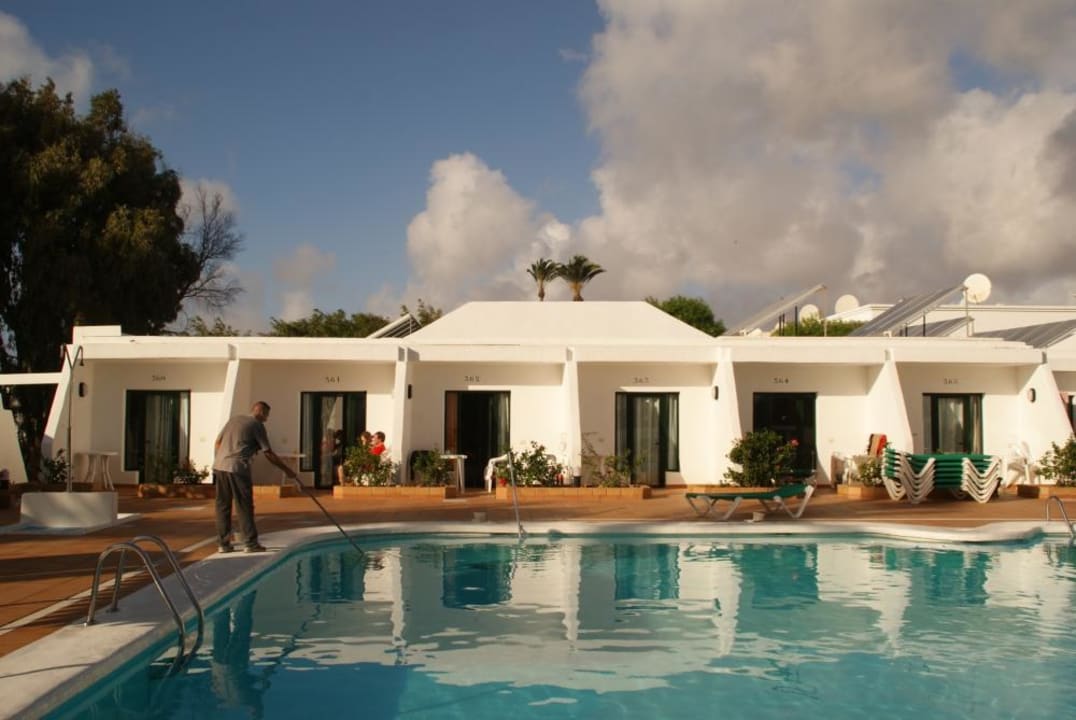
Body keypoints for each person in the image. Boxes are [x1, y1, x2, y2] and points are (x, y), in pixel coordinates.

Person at [213, 401, 297, 553]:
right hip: (238, 468)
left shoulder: (234, 420)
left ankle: (223, 544)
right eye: (267, 415)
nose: (266, 419)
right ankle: (250, 544)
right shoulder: (256, 425)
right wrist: (287, 470)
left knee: (223, 506)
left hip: (220, 466)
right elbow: (268, 453)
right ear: (262, 412)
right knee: (244, 506)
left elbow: (218, 442)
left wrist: (222, 457)